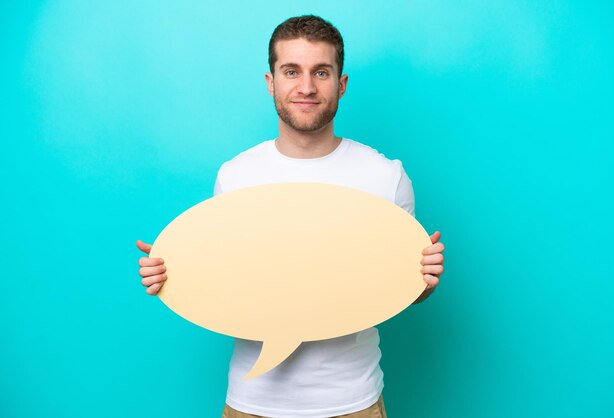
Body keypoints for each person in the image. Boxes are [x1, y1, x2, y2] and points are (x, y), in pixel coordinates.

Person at [136, 15, 445, 418]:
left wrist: (425, 278)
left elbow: (406, 290)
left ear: (341, 83)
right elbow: (227, 279)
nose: (306, 87)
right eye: (291, 71)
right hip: (252, 402)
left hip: (352, 402)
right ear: (271, 82)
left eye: (321, 72)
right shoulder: (236, 176)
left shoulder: (385, 176)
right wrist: (171, 274)